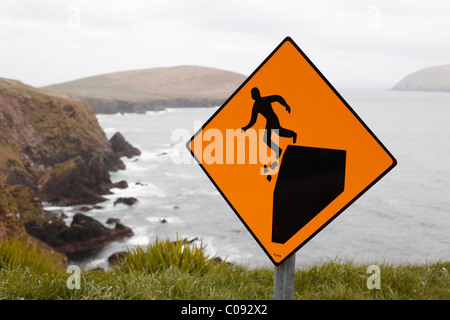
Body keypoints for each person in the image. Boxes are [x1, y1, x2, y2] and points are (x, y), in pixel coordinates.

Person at [241, 87, 297, 158]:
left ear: (256, 94)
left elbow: (277, 97)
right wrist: (246, 127)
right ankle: (290, 136)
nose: (252, 96)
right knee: (273, 135)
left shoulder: (264, 100)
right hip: (270, 120)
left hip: (273, 119)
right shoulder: (256, 106)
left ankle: (291, 136)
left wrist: (285, 105)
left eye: (253, 94)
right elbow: (253, 120)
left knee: (271, 136)